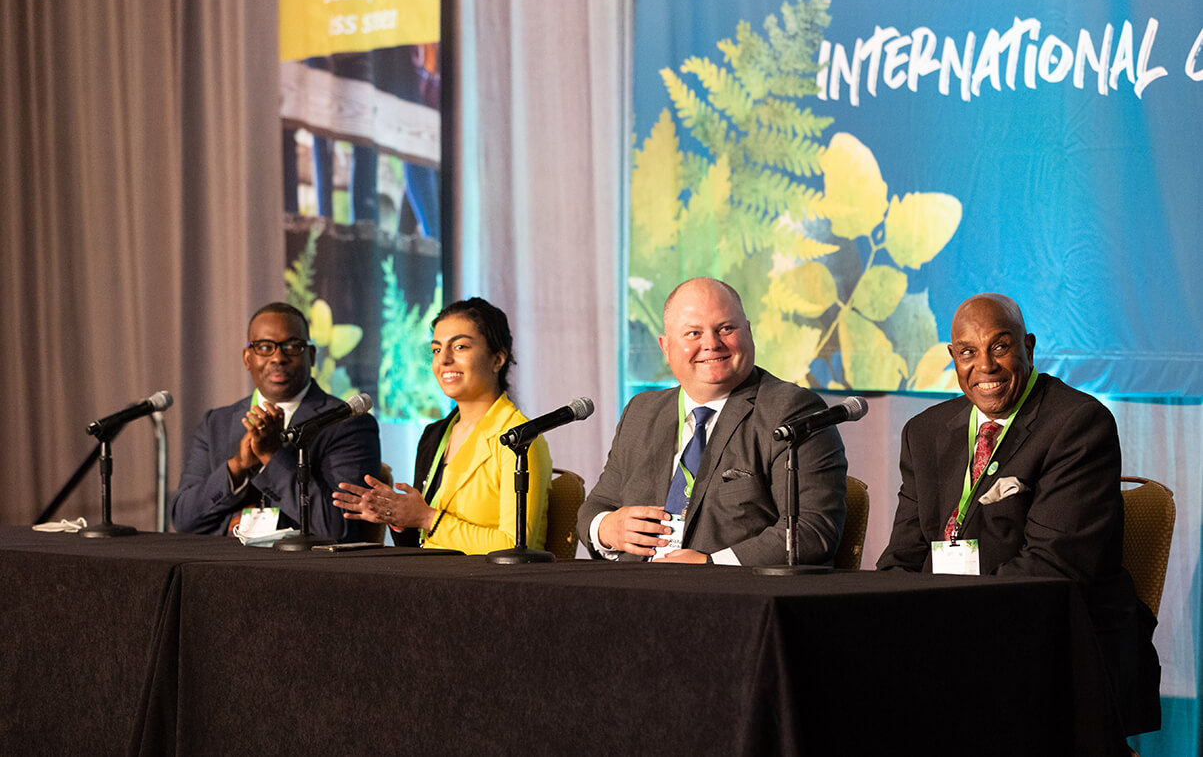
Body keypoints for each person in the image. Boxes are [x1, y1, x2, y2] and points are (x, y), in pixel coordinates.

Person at [877, 292, 1160, 739]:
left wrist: (945, 627)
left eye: (1000, 347)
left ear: (1028, 347)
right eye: (968, 352)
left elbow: (1052, 570)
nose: (984, 366)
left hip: (1059, 650)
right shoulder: (925, 432)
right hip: (952, 639)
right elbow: (902, 557)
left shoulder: (1078, 424)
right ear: (953, 357)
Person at [577, 277, 848, 565]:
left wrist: (711, 565)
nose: (712, 344)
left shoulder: (791, 411)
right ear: (666, 348)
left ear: (749, 332)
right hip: (634, 592)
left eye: (726, 329)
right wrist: (605, 528)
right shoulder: (641, 412)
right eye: (693, 333)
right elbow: (596, 507)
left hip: (733, 596)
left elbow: (810, 531)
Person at [332, 298, 551, 554]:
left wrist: (427, 518)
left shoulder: (521, 440)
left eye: (459, 347)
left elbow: (515, 547)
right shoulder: (434, 435)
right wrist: (398, 517)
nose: (444, 360)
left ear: (497, 359)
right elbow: (420, 547)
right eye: (436, 349)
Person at [171, 302, 381, 541]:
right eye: (264, 347)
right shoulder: (216, 423)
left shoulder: (347, 424)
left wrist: (272, 456)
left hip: (304, 572)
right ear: (247, 358)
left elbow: (337, 528)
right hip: (222, 568)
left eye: (292, 346)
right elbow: (183, 519)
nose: (278, 357)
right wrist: (237, 467)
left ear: (311, 356)